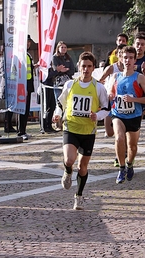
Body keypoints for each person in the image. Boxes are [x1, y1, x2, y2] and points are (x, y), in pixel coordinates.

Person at [52, 51, 109, 210]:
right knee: (70, 160)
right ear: (79, 66)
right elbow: (60, 104)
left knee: (82, 167)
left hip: (88, 132)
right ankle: (67, 171)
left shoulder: (98, 87)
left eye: (89, 66)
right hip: (71, 127)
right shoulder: (70, 84)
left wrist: (97, 116)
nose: (86, 69)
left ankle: (79, 195)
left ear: (93, 67)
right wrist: (57, 115)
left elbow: (106, 109)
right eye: (83, 66)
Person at [109, 45, 145, 184]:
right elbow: (111, 93)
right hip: (118, 114)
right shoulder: (115, 76)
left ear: (135, 60)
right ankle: (121, 168)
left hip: (134, 116)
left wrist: (134, 99)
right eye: (125, 57)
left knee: (132, 146)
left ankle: (129, 163)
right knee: (119, 139)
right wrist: (110, 95)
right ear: (121, 59)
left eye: (131, 58)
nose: (127, 60)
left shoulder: (139, 77)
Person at [52, 41, 75, 130]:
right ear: (58, 48)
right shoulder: (55, 57)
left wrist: (64, 69)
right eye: (62, 47)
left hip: (68, 83)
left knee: (68, 102)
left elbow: (72, 69)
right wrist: (61, 69)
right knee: (59, 102)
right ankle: (58, 124)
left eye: (65, 47)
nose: (64, 49)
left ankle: (66, 122)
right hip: (58, 83)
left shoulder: (68, 57)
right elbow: (56, 68)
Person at [17, 35, 35, 140]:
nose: (28, 44)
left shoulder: (27, 54)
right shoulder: (21, 54)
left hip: (29, 84)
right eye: (26, 42)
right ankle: (21, 131)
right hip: (24, 85)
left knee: (26, 109)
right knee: (22, 110)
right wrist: (23, 88)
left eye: (29, 42)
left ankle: (23, 130)